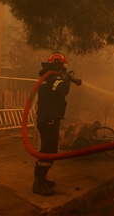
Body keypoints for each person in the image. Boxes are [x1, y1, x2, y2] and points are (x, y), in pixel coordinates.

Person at [32, 52, 81, 196]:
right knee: (49, 152)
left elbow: (59, 90)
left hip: (48, 119)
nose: (65, 67)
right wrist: (66, 80)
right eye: (64, 64)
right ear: (58, 63)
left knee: (48, 150)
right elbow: (62, 89)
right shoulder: (53, 77)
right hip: (49, 120)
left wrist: (68, 80)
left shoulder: (50, 76)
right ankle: (38, 183)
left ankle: (41, 178)